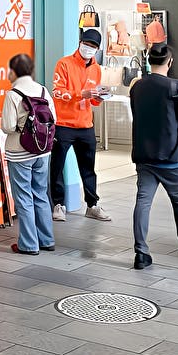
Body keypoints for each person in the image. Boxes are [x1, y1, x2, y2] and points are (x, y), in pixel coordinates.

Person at [129, 44, 178, 270]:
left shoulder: (137, 87)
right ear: (170, 62)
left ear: (149, 60)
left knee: (143, 202)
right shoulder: (175, 86)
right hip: (172, 154)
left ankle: (141, 253)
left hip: (144, 154)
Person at [50, 28, 110, 221]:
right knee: (57, 166)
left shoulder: (97, 69)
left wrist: (99, 98)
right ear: (80, 42)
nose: (89, 48)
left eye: (93, 46)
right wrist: (80, 94)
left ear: (97, 49)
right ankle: (58, 204)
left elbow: (92, 101)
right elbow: (57, 92)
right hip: (63, 124)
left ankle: (92, 205)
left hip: (86, 126)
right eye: (86, 44)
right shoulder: (64, 63)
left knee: (88, 168)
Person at [0, 54, 56, 255]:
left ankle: (29, 244)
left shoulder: (13, 94)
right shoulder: (42, 89)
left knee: (23, 197)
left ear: (13, 71)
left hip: (20, 153)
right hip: (43, 150)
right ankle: (47, 239)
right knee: (40, 194)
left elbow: (7, 127)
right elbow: (53, 118)